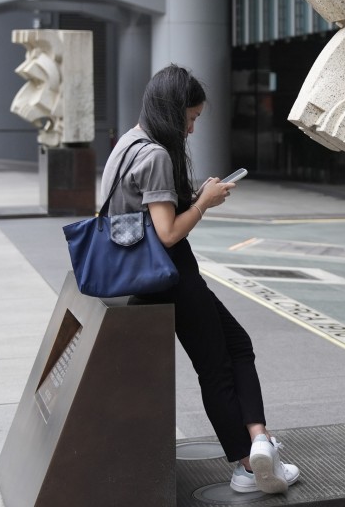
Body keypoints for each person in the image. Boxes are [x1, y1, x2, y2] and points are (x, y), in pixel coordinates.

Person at [100, 64, 300, 494]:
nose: (191, 130)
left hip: (153, 272)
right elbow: (168, 232)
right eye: (190, 119)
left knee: (236, 345)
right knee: (216, 366)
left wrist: (194, 195)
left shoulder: (129, 143)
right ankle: (248, 464)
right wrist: (204, 203)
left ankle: (260, 442)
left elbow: (144, 213)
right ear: (173, 114)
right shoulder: (154, 154)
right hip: (168, 274)